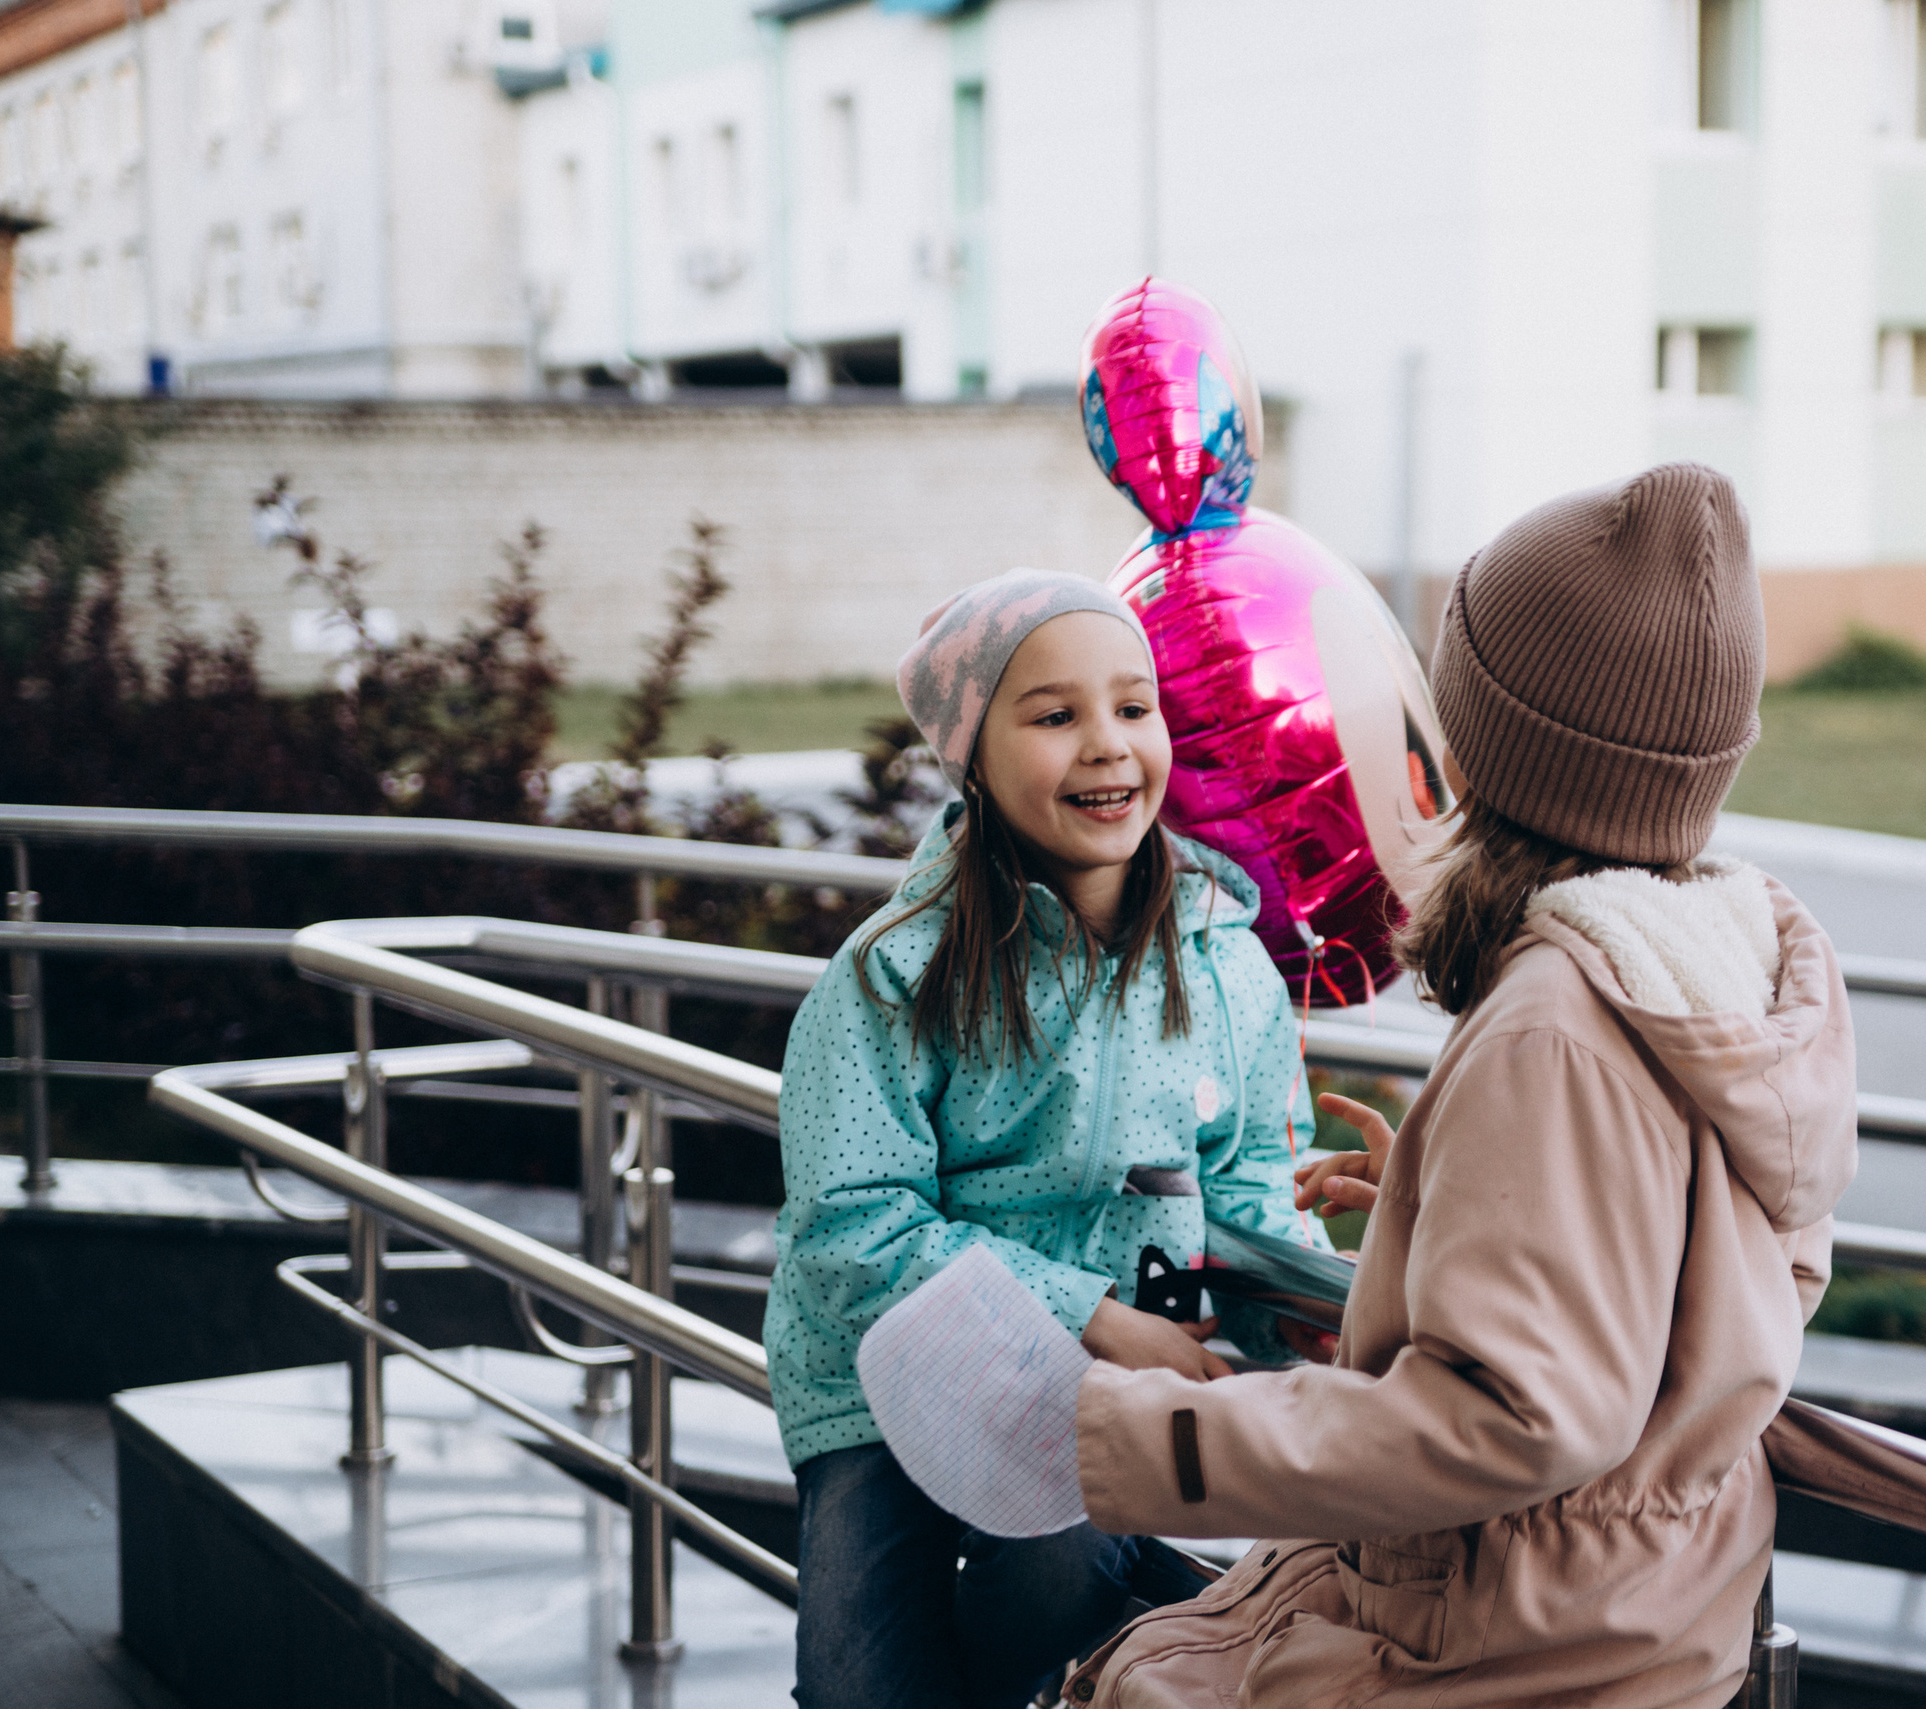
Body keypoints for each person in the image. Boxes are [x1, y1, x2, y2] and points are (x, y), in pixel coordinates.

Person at [1060, 463, 1861, 1709]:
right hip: (1638, 1611)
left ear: (1492, 740)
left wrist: (1148, 1435)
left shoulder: (1550, 1031)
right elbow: (1722, 1274)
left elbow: (1516, 1416)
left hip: (1498, 1637)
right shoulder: (1722, 963)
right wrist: (1448, 1217)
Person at [766, 568, 1319, 1709]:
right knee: (857, 1683)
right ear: (974, 755)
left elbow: (1248, 1185)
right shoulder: (892, 971)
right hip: (882, 1372)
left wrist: (1308, 1313)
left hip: (1102, 1386)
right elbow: (850, 1226)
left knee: (1059, 1575)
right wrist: (1094, 1315)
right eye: (1056, 715)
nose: (1109, 743)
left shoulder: (1227, 962)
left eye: (1134, 706)